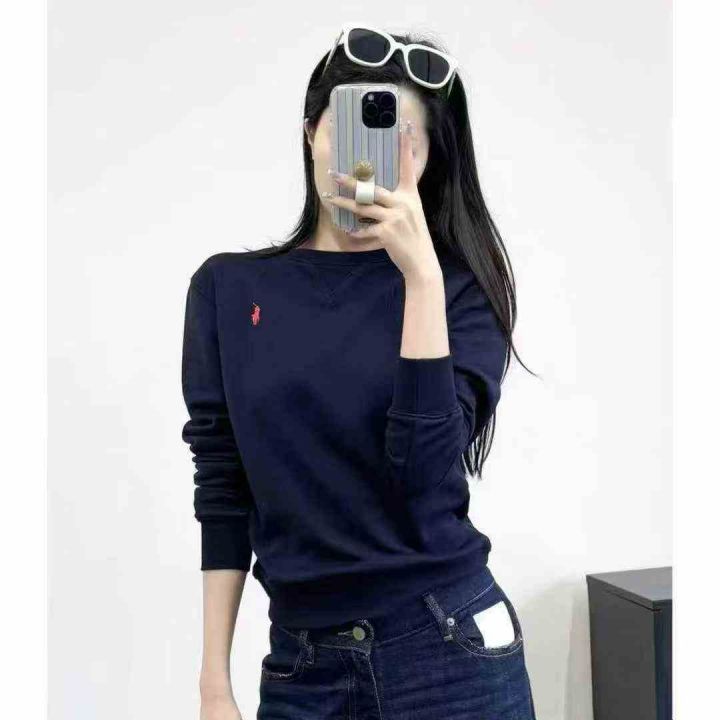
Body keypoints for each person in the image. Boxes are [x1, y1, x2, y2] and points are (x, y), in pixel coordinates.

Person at [182, 25, 537, 720]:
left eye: (404, 139)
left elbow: (425, 474)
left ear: (429, 160)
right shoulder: (227, 289)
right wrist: (213, 681)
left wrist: (421, 280)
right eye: (353, 128)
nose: (372, 155)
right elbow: (223, 486)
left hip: (449, 649)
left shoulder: (461, 289)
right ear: (311, 133)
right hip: (303, 667)